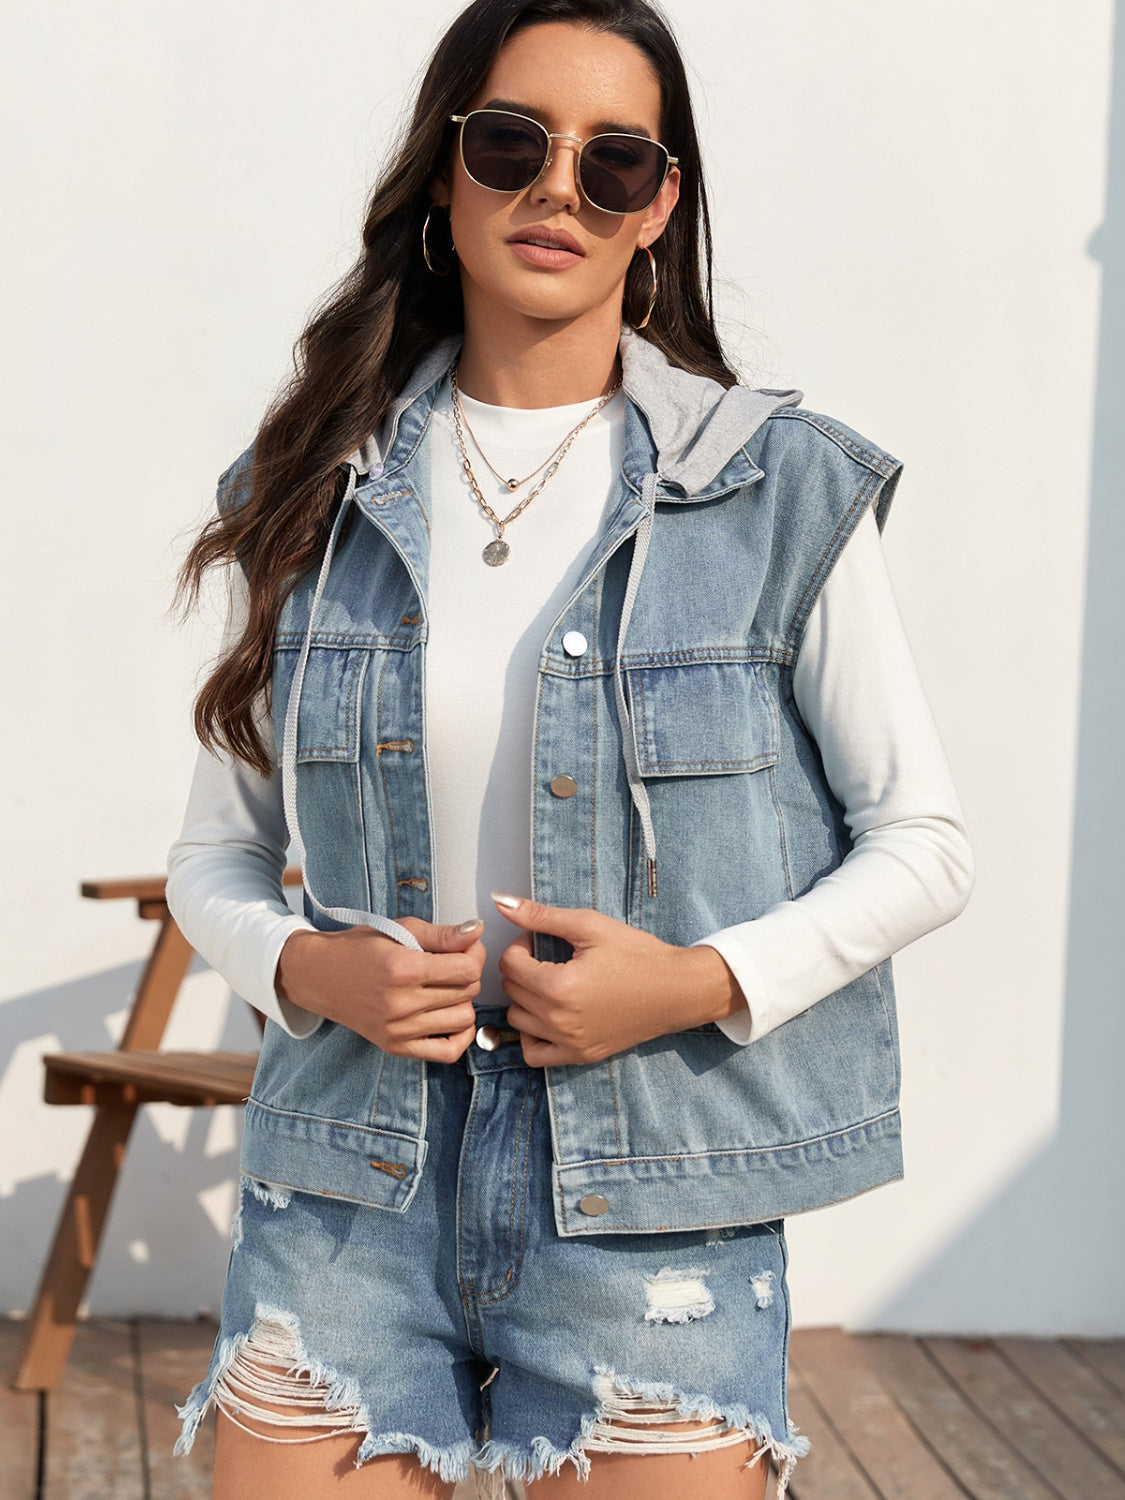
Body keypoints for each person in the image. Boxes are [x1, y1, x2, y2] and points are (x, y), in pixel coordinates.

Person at [167, 0, 973, 1495]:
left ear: (658, 206)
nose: (556, 189)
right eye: (510, 143)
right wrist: (303, 968)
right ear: (442, 173)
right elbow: (215, 851)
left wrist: (689, 981)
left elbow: (923, 845)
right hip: (348, 1181)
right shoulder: (304, 493)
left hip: (655, 1194)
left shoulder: (778, 492)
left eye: (612, 162)